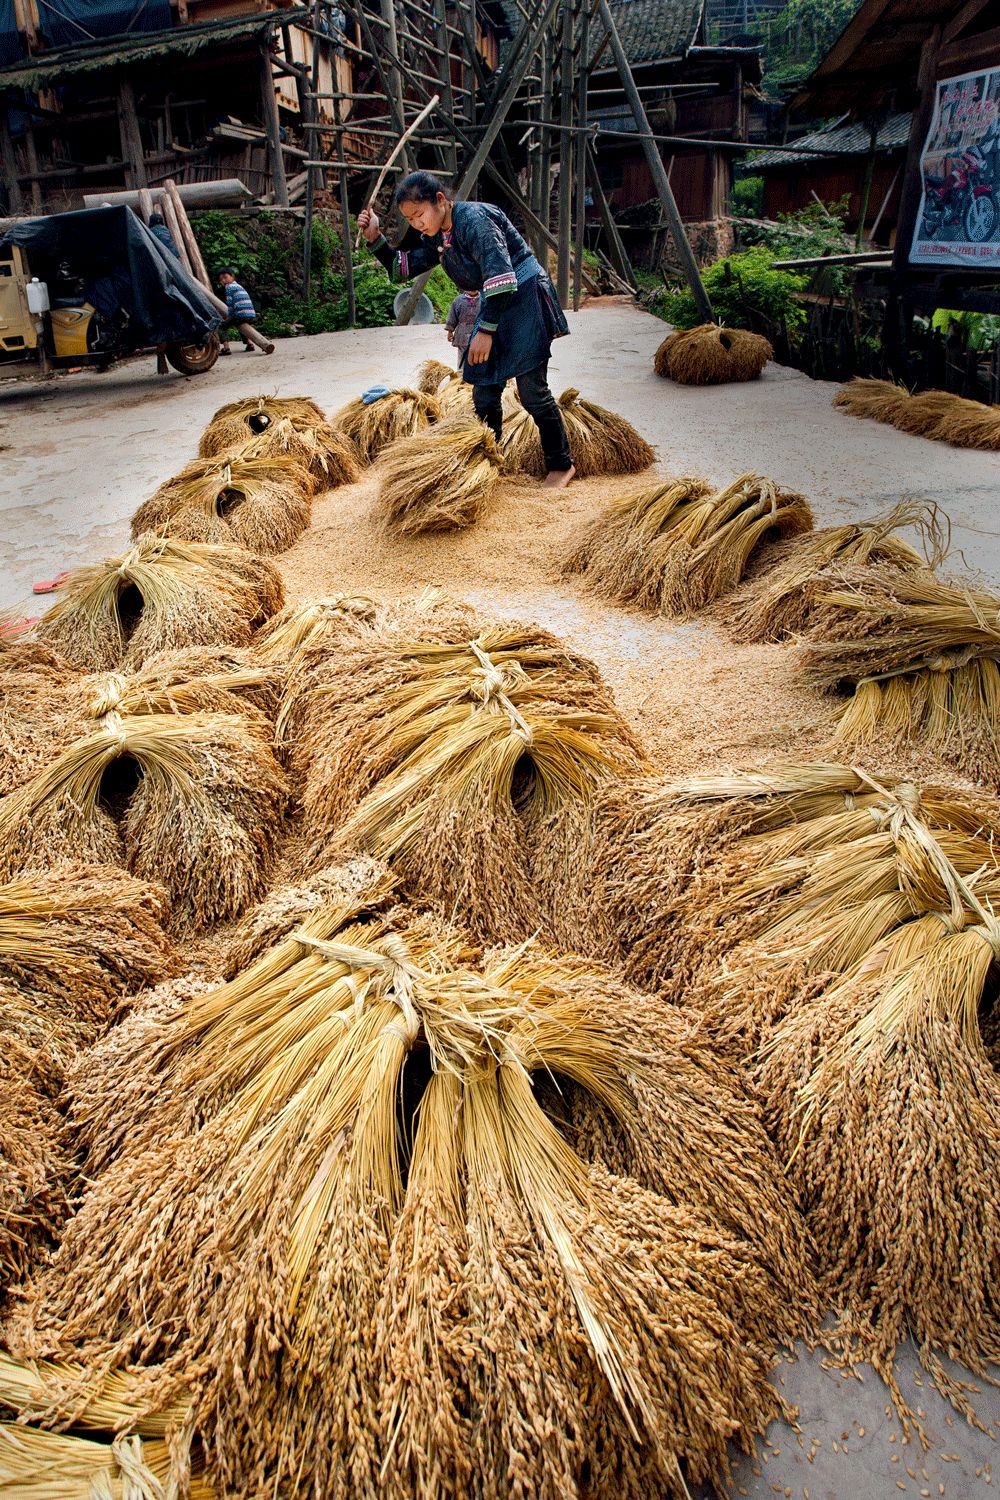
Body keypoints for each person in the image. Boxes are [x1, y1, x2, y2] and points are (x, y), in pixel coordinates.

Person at [359, 171, 575, 488]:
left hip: (524, 298)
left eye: (419, 214)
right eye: (410, 219)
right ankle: (491, 458)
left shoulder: (475, 219)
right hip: (495, 302)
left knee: (532, 392)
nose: (417, 223)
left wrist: (485, 332)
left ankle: (561, 464)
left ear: (441, 201)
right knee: (484, 391)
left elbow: (502, 279)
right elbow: (400, 269)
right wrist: (375, 238)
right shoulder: (437, 236)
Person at [218, 269, 274, 355]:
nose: (224, 281)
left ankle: (226, 348)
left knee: (222, 327)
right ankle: (249, 344)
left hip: (240, 314)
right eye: (221, 280)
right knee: (240, 325)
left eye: (225, 277)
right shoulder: (238, 286)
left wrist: (228, 316)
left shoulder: (229, 288)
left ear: (232, 276)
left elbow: (230, 304)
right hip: (250, 313)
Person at [445, 288, 481, 364]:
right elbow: (452, 316)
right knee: (462, 359)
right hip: (462, 335)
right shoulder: (458, 300)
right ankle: (461, 374)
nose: (472, 288)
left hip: (479, 334)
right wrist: (450, 331)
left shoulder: (483, 300)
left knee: (478, 359)